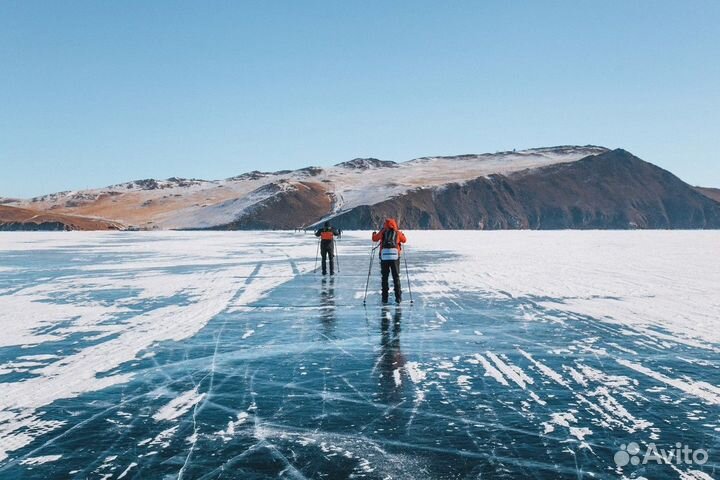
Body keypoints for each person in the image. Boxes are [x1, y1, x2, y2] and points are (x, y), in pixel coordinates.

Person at [371, 218, 407, 304]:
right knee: (396, 277)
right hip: (395, 257)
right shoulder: (397, 233)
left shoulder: (383, 232)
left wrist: (374, 234)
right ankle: (398, 298)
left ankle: (384, 298)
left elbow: (374, 239)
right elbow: (404, 240)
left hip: (384, 257)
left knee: (384, 278)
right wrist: (402, 234)